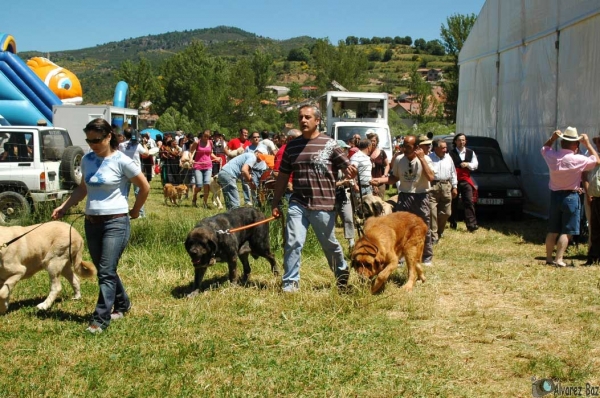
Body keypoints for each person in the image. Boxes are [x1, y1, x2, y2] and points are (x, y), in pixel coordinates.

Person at [51, 118, 149, 334]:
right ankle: (123, 304)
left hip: (116, 222)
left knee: (104, 271)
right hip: (91, 222)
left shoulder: (122, 161)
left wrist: (134, 210)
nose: (92, 144)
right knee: (107, 270)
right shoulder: (87, 160)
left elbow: (145, 187)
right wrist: (64, 206)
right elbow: (83, 189)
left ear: (108, 137)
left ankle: (100, 319)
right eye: (89, 140)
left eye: (96, 140)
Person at [271, 104, 357, 293]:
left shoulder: (330, 144)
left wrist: (350, 171)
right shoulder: (292, 147)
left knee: (329, 244)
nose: (303, 120)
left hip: (323, 204)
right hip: (298, 202)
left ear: (317, 120)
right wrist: (275, 202)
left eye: (307, 117)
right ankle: (290, 284)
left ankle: (341, 274)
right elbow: (283, 176)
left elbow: (347, 167)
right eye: (300, 117)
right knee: (293, 242)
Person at [371, 135, 435, 266]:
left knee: (423, 227)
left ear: (417, 147)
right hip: (404, 196)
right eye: (403, 146)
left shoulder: (426, 159)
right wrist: (380, 180)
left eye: (408, 147)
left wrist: (422, 158)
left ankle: (426, 257)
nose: (404, 149)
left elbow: (430, 177)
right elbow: (394, 178)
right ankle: (399, 258)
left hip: (421, 196)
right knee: (400, 228)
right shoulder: (400, 159)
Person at [542, 127, 600, 267]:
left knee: (553, 230)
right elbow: (597, 160)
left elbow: (544, 148)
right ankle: (559, 259)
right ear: (576, 145)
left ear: (562, 143)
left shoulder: (552, 156)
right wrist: (587, 144)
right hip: (570, 196)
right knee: (567, 231)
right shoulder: (578, 159)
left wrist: (552, 138)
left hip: (555, 195)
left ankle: (549, 258)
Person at [428, 138, 458, 243]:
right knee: (432, 212)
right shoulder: (429, 158)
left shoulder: (448, 158)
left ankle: (440, 231)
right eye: (443, 147)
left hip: (446, 186)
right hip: (433, 186)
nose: (445, 149)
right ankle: (433, 235)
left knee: (446, 212)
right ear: (435, 148)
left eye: (446, 147)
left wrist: (455, 187)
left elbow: (453, 173)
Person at [448, 133, 479, 232]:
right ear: (455, 141)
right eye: (459, 140)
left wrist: (468, 164)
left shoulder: (470, 152)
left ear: (465, 141)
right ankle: (453, 221)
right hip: (454, 181)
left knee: (469, 201)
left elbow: (475, 165)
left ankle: (471, 224)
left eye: (463, 140)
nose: (461, 142)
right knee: (454, 202)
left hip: (465, 180)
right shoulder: (450, 153)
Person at [118, 128, 149, 218]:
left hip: (124, 172)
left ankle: (123, 213)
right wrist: (144, 144)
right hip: (136, 172)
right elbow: (146, 154)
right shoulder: (137, 145)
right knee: (139, 192)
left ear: (124, 135)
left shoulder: (121, 145)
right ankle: (141, 213)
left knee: (124, 193)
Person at [189, 129, 221, 208]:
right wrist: (191, 159)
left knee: (207, 184)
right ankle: (194, 197)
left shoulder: (210, 142)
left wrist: (217, 158)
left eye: (208, 136)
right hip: (198, 166)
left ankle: (205, 203)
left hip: (208, 165)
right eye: (205, 136)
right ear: (202, 135)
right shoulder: (197, 142)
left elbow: (211, 153)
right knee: (199, 185)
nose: (206, 138)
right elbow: (191, 152)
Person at [334, 140, 356, 252]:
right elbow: (328, 184)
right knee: (329, 223)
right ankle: (332, 246)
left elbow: (351, 178)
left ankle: (351, 243)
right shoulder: (331, 166)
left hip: (343, 195)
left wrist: (352, 183)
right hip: (331, 198)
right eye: (345, 149)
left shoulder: (346, 164)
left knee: (348, 219)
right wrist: (342, 183)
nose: (347, 151)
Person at [583, 136, 600, 265]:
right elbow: (584, 175)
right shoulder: (592, 156)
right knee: (594, 228)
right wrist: (588, 192)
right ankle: (593, 256)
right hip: (595, 196)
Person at [368, 131, 390, 200]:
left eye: (374, 141)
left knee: (380, 203)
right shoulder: (365, 153)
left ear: (377, 141)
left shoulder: (382, 153)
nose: (372, 142)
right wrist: (373, 184)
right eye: (370, 141)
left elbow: (387, 165)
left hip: (380, 182)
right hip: (369, 182)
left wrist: (385, 174)